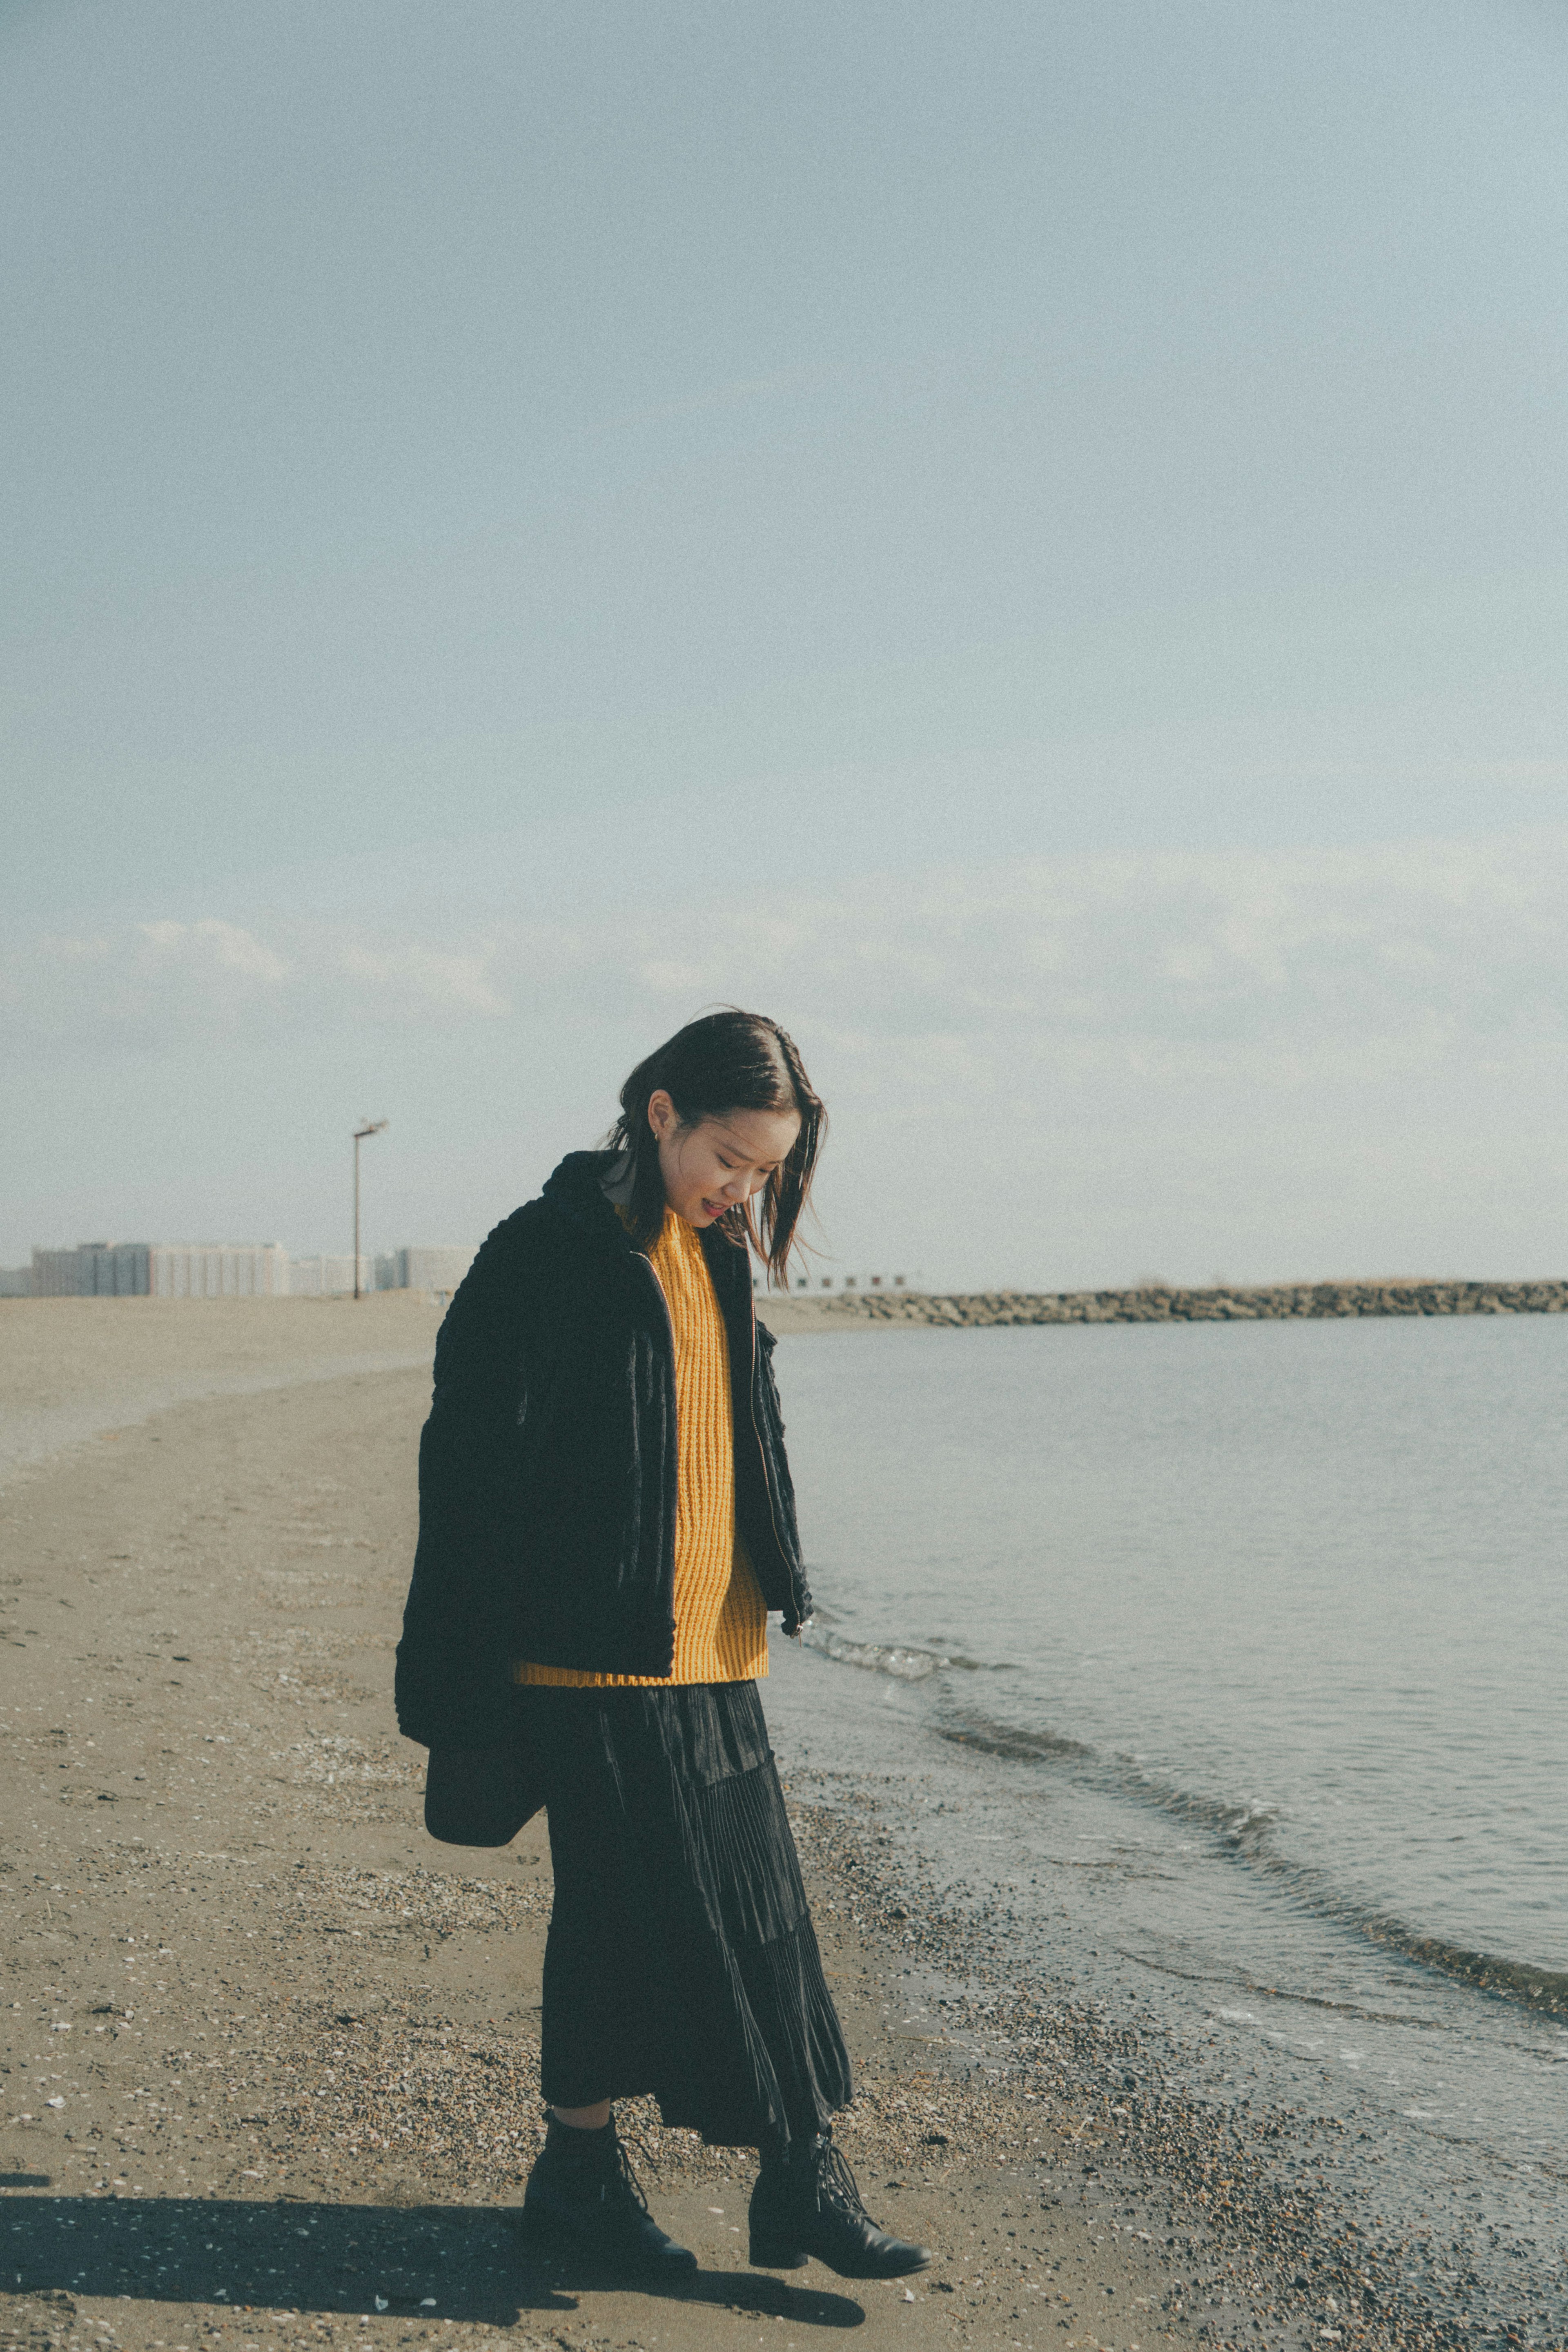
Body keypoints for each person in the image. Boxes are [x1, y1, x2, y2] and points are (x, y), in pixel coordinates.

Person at [394, 1010, 929, 2282]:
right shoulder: (543, 1254)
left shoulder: (720, 1253)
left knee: (754, 1916)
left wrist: (781, 1580)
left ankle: (743, 2178)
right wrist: (464, 1685)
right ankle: (652, 2176)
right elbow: (465, 1473)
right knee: (650, 1924)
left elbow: (748, 1434)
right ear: (662, 1113)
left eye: (765, 1172)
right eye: (730, 1158)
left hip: (717, 1644)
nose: (741, 1188)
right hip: (594, 1657)